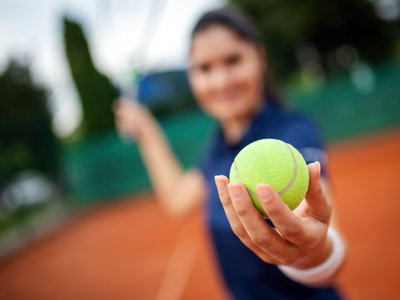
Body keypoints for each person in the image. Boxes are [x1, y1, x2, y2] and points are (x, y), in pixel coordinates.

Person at [114, 6, 346, 299]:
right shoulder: (217, 146)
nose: (221, 81)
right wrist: (148, 133)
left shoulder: (293, 132)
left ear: (258, 58)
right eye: (205, 68)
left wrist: (312, 252)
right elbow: (178, 200)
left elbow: (330, 246)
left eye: (233, 60)